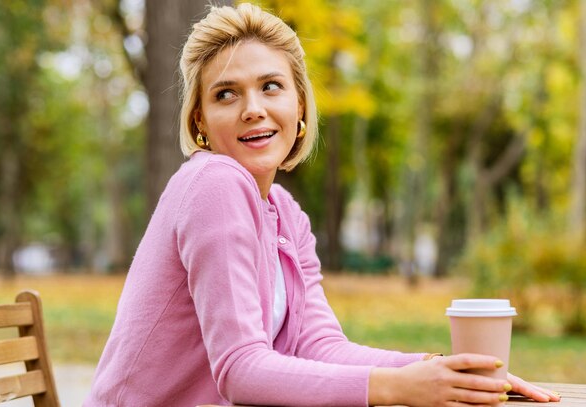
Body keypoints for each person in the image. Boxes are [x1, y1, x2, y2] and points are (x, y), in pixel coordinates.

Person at [85, 3, 560, 406]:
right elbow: (239, 367)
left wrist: (439, 371)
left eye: (271, 86)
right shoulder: (214, 182)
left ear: (300, 108)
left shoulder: (286, 215)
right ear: (201, 122)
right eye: (226, 94)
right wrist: (397, 387)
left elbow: (318, 345)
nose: (252, 107)